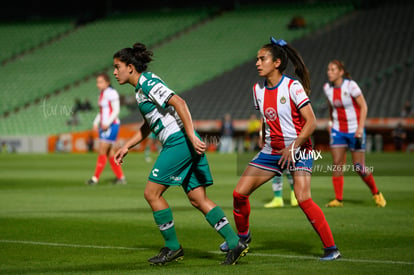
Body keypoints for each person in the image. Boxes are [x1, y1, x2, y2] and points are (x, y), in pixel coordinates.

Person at [112, 42, 248, 265]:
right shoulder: (139, 91)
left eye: (118, 67)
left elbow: (179, 102)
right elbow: (148, 125)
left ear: (130, 67)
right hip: (182, 142)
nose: (115, 72)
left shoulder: (147, 82)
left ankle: (173, 248)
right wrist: (127, 145)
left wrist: (192, 135)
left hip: (179, 142)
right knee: (198, 198)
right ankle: (235, 243)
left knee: (152, 193)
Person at [220, 37, 341, 261]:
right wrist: (261, 134)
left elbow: (312, 122)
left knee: (303, 198)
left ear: (276, 63)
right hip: (271, 151)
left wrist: (293, 146)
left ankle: (331, 249)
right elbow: (266, 117)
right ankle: (243, 238)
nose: (257, 63)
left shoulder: (292, 86)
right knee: (239, 194)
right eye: (257, 59)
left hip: (299, 150)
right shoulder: (258, 90)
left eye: (262, 58)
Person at [323, 60, 386, 208]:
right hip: (338, 131)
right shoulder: (327, 88)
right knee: (337, 164)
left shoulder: (351, 86)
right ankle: (338, 199)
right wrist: (331, 123)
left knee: (359, 166)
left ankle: (376, 193)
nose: (329, 72)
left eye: (333, 69)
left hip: (354, 130)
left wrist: (360, 128)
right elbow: (331, 107)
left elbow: (363, 106)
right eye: (328, 69)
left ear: (341, 72)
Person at [86, 73, 126, 185]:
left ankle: (95, 178)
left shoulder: (112, 93)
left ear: (107, 82)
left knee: (102, 150)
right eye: (97, 82)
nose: (98, 84)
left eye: (100, 82)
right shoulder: (102, 93)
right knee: (109, 153)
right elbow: (102, 112)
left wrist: (107, 123)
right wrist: (95, 122)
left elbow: (116, 110)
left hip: (111, 125)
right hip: (105, 126)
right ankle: (121, 178)